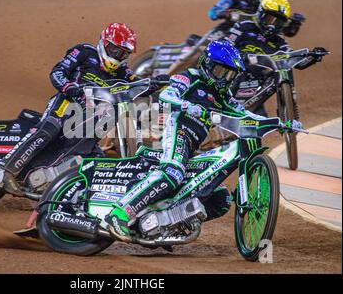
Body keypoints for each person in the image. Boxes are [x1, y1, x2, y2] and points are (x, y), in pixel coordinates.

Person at [104, 40, 301, 241]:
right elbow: (167, 96)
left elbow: (247, 117)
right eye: (219, 70)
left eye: (229, 74)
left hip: (194, 147)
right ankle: (118, 214)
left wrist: (280, 123)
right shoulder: (190, 77)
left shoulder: (224, 96)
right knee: (172, 173)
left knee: (220, 198)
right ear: (207, 64)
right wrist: (188, 106)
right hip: (177, 132)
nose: (223, 78)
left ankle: (168, 224)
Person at [0, 23, 140, 195]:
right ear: (105, 43)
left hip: (89, 118)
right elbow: (57, 72)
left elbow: (137, 82)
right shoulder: (84, 52)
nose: (118, 56)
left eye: (124, 53)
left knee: (94, 157)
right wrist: (68, 86)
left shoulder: (122, 71)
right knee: (49, 129)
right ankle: (4, 172)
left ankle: (56, 191)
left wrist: (158, 82)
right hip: (66, 103)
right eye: (116, 50)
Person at [224, 0, 319, 116]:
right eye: (270, 19)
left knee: (284, 67)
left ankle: (289, 110)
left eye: (278, 22)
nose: (272, 26)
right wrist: (239, 56)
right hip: (235, 75)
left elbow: (294, 60)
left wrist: (313, 57)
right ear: (261, 14)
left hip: (257, 83)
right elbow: (226, 45)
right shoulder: (245, 26)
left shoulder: (278, 41)